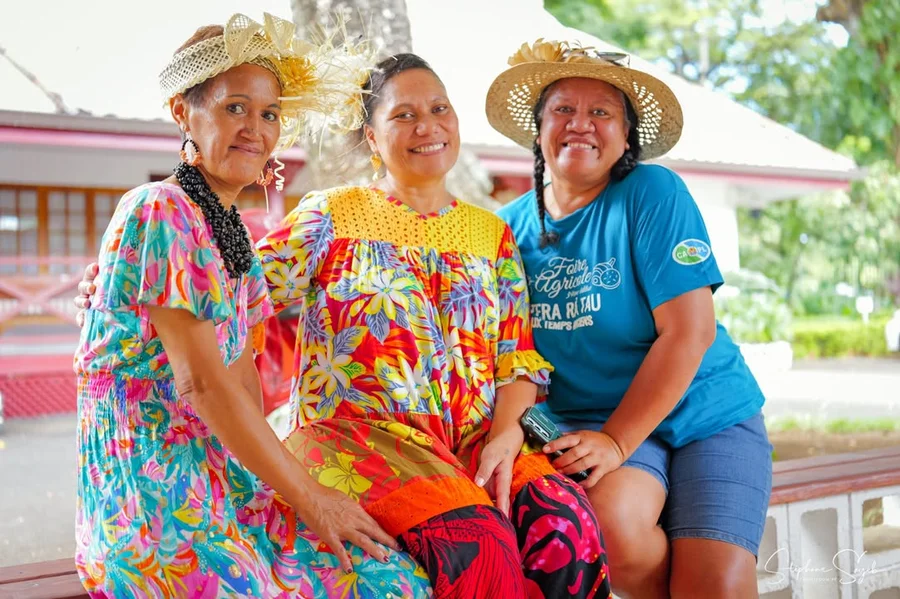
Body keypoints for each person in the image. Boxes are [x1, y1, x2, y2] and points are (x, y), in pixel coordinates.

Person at [74, 51, 613, 599]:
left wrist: (504, 435)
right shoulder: (330, 214)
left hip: (473, 442)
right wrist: (114, 285)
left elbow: (516, 357)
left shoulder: (491, 234)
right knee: (474, 547)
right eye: (403, 115)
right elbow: (230, 292)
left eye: (439, 109)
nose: (427, 126)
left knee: (568, 527)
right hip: (359, 442)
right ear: (371, 137)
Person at [72, 13, 430, 598]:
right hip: (147, 500)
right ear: (183, 112)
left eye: (269, 115)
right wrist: (313, 498)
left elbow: (244, 388)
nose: (255, 129)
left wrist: (296, 491)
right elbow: (203, 386)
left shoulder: (233, 233)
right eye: (235, 107)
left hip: (222, 483)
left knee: (393, 578)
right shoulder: (158, 208)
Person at [486, 40, 774, 599]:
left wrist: (618, 442)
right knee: (610, 530)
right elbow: (508, 354)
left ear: (625, 137)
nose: (581, 125)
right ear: (539, 131)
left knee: (714, 584)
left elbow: (691, 331)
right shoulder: (505, 230)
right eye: (563, 110)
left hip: (705, 413)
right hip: (591, 422)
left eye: (602, 113)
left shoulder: (652, 192)